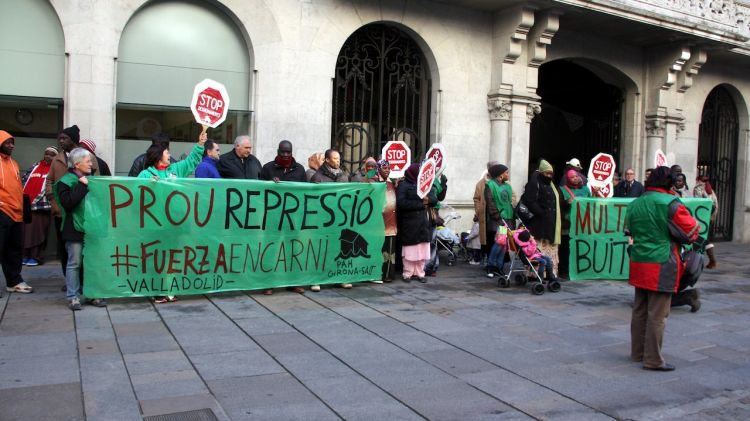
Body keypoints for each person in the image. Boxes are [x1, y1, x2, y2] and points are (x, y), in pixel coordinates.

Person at [626, 166, 699, 371]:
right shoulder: (671, 203)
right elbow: (693, 230)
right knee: (658, 314)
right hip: (662, 262)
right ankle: (653, 360)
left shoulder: (636, 203)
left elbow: (628, 229)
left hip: (639, 260)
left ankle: (637, 353)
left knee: (640, 310)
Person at [139, 132, 207, 302]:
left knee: (171, 257)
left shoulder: (175, 169)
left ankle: (169, 289)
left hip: (174, 225)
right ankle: (157, 291)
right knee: (157, 258)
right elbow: (135, 195)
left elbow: (191, 162)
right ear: (158, 156)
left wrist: (199, 145)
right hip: (156, 226)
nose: (170, 155)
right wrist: (148, 186)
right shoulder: (145, 175)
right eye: (167, 152)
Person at [55, 148, 107, 309]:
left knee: (92, 262)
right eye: (88, 161)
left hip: (92, 228)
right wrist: (82, 186)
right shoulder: (65, 182)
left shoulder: (93, 180)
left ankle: (92, 294)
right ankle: (73, 296)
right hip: (74, 228)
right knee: (75, 263)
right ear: (77, 164)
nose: (92, 164)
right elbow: (69, 203)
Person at [46, 125, 98, 281]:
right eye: (60, 138)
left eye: (65, 138)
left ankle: (82, 284)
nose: (61, 141)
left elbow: (98, 182)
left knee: (84, 256)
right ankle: (71, 284)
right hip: (63, 211)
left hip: (84, 216)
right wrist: (53, 202)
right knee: (69, 254)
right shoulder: (57, 158)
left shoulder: (88, 157)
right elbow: (50, 181)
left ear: (73, 139)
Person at [259, 140, 307, 294]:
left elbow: (305, 193)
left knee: (292, 249)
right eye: (283, 152)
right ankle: (267, 283)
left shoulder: (299, 170)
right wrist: (269, 184)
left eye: (288, 152)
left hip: (292, 218)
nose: (285, 155)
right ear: (278, 151)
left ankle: (294, 282)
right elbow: (258, 190)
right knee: (270, 249)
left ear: (292, 152)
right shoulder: (268, 168)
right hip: (273, 217)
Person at [309, 149, 351, 290]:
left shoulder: (344, 177)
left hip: (339, 219)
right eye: (334, 158)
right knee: (320, 249)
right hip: (322, 220)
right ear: (327, 160)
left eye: (339, 158)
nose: (338, 161)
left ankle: (340, 278)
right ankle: (316, 279)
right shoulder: (317, 177)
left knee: (338, 248)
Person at [0, 131, 33, 294]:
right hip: (2, 211)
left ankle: (14, 281)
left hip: (16, 213)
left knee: (14, 249)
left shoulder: (14, 163)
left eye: (12, 143)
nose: (12, 146)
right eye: (8, 143)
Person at [521, 159, 567, 276]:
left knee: (550, 248)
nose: (549, 176)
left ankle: (549, 273)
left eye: (550, 173)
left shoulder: (553, 186)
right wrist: (541, 212)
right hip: (538, 224)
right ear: (541, 172)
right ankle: (535, 273)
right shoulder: (534, 183)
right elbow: (529, 201)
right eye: (546, 173)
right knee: (539, 249)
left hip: (550, 224)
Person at [397, 163, 437, 283]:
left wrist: (428, 199)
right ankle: (408, 273)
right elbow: (402, 203)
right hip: (410, 222)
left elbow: (434, 199)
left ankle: (420, 273)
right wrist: (421, 204)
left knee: (421, 249)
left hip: (422, 223)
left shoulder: (424, 184)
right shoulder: (403, 185)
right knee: (410, 249)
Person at [22, 147, 58, 266]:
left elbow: (54, 187)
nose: (48, 156)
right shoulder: (35, 166)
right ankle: (25, 255)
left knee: (38, 232)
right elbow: (23, 180)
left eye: (52, 155)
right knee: (25, 232)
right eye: (46, 154)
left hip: (42, 207)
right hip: (27, 206)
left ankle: (35, 257)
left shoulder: (55, 169)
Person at [559, 169, 591, 279]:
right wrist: (567, 203)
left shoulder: (586, 189)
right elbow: (559, 206)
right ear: (568, 179)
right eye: (572, 177)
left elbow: (591, 205)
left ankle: (580, 269)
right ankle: (564, 271)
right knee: (566, 248)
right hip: (567, 225)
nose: (575, 178)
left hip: (582, 224)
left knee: (581, 247)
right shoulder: (562, 190)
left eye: (576, 176)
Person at [484, 164, 513, 277]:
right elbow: (490, 203)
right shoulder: (490, 185)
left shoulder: (508, 186)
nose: (508, 174)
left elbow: (509, 202)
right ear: (500, 175)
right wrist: (497, 216)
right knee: (499, 243)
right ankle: (491, 266)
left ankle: (499, 267)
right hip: (498, 219)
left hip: (508, 218)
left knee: (504, 245)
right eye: (506, 172)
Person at [472, 161, 499, 266]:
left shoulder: (504, 182)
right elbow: (476, 199)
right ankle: (488, 260)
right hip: (487, 217)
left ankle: (497, 261)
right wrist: (479, 211)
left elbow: (512, 196)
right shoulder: (481, 183)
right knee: (489, 238)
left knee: (499, 239)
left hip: (499, 216)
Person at [424, 173, 448, 277]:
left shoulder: (436, 179)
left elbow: (439, 198)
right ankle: (426, 266)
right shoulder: (425, 177)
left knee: (432, 241)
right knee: (428, 240)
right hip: (426, 212)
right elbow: (432, 199)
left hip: (434, 213)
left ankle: (432, 266)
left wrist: (443, 184)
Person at [694, 175, 718, 269]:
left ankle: (711, 261)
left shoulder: (698, 189)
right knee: (705, 238)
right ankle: (711, 261)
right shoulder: (710, 190)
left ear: (698, 180)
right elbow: (715, 205)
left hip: (701, 217)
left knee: (702, 238)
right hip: (709, 217)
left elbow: (697, 203)